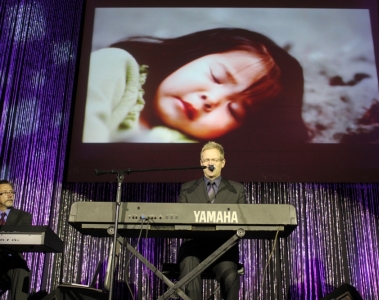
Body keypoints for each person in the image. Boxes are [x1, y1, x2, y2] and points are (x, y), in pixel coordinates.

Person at [83, 28, 309, 144]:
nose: (211, 100)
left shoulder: (198, 152)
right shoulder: (117, 67)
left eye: (234, 110)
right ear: (191, 56)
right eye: (216, 76)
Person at [177, 141, 245, 300]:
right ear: (201, 163)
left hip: (223, 250)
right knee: (189, 268)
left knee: (231, 278)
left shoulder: (237, 189)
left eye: (214, 160)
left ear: (222, 163)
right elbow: (180, 220)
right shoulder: (187, 189)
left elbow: (242, 222)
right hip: (194, 248)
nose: (210, 163)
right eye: (207, 160)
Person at [0, 179, 32, 300]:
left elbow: (20, 240)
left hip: (10, 259)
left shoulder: (23, 216)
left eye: (11, 192)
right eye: (5, 192)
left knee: (22, 269)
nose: (10, 195)